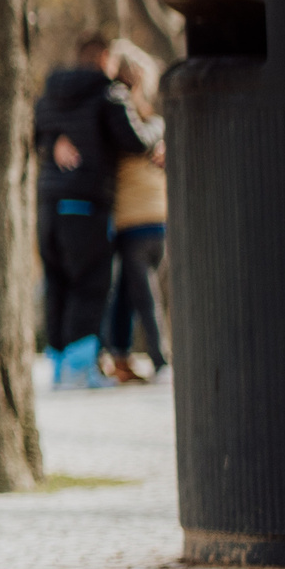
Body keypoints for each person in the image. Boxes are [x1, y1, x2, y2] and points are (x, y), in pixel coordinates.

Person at [34, 33, 150, 389]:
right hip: (87, 205)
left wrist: (56, 141)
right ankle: (79, 369)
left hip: (48, 208)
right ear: (103, 58)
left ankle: (57, 365)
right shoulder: (109, 94)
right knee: (91, 282)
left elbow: (35, 135)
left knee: (57, 283)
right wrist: (156, 129)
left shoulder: (49, 95)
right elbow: (136, 140)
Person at [101, 42, 169, 386]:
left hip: (136, 222)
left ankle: (159, 358)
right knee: (133, 292)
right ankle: (123, 355)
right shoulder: (153, 126)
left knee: (140, 293)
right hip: (153, 220)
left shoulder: (133, 127)